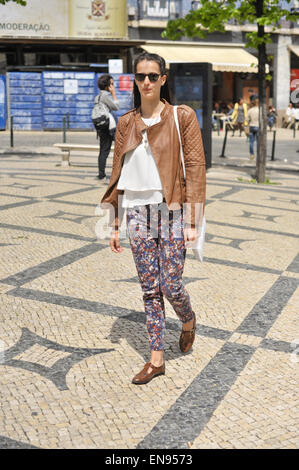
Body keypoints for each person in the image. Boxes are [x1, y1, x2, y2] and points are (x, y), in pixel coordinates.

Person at [100, 52, 206, 385]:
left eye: (153, 76)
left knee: (171, 283)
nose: (146, 81)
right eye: (141, 76)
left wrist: (193, 220)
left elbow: (196, 167)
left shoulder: (181, 116)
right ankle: (156, 359)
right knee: (149, 289)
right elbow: (117, 173)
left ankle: (187, 319)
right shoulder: (126, 123)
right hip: (136, 212)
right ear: (135, 80)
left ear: (163, 79)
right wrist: (114, 222)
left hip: (171, 209)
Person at [95, 74, 120, 180]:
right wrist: (114, 94)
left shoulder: (98, 96)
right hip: (108, 127)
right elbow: (116, 107)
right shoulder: (105, 96)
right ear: (107, 86)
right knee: (119, 148)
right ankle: (118, 173)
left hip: (100, 126)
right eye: (112, 84)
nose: (113, 87)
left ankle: (101, 174)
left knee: (103, 150)